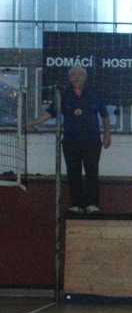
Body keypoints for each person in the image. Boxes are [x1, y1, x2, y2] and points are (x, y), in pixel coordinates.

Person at [26, 66, 111, 214]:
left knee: (92, 172)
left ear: (85, 77)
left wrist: (108, 134)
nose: (77, 77)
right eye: (73, 75)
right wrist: (31, 124)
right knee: (73, 173)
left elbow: (105, 115)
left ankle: (92, 204)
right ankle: (77, 204)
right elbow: (49, 113)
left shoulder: (95, 93)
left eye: (80, 74)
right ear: (70, 78)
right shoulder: (63, 95)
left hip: (91, 141)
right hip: (71, 141)